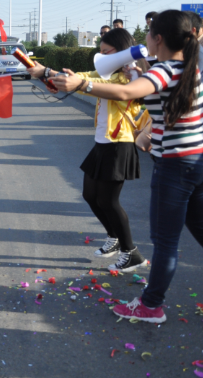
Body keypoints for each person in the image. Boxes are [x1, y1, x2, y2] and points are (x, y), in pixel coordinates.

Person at [52, 9, 203, 324]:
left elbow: (127, 92)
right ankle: (151, 301)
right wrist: (138, 68)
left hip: (176, 166)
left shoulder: (164, 71)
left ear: (159, 38)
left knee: (166, 242)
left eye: (149, 33)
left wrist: (81, 84)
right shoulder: (190, 67)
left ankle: (151, 306)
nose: (144, 38)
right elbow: (146, 90)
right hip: (202, 159)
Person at [28, 29, 148, 272]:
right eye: (100, 52)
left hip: (119, 145)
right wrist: (52, 75)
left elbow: (94, 84)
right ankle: (114, 238)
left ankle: (132, 252)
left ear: (123, 52)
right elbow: (85, 76)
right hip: (102, 144)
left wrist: (50, 73)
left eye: (107, 52)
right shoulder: (107, 72)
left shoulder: (128, 78)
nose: (102, 57)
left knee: (109, 201)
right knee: (90, 196)